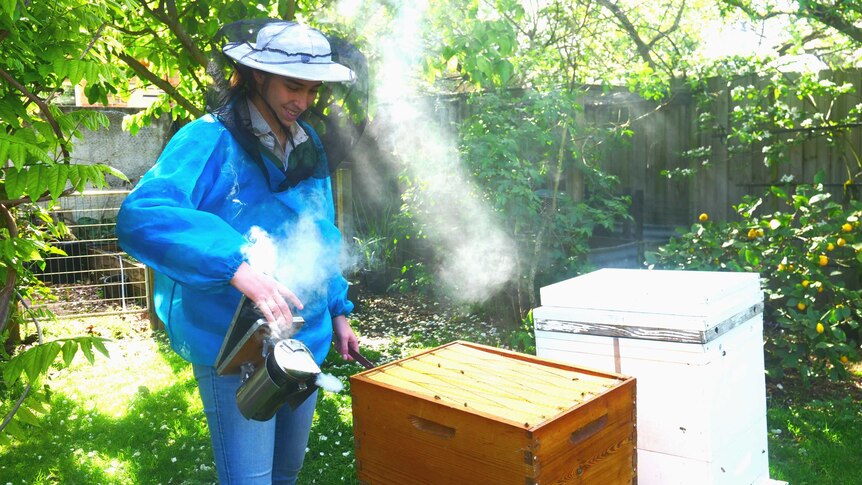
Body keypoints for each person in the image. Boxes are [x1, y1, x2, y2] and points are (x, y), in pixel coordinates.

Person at [116, 20, 360, 484]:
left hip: (303, 337)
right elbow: (143, 214)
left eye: (312, 90)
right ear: (256, 76)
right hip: (233, 344)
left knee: (286, 473)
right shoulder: (206, 138)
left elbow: (320, 234)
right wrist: (237, 266)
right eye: (293, 86)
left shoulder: (307, 146)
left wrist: (339, 309)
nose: (303, 102)